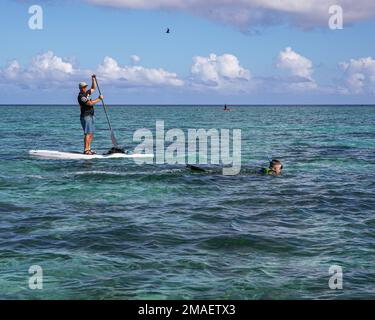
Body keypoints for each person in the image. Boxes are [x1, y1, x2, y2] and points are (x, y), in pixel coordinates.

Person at [77, 75, 103, 155]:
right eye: (84, 87)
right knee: (87, 133)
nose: (85, 88)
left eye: (85, 87)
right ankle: (86, 150)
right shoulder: (81, 97)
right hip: (86, 116)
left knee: (91, 133)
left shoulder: (87, 93)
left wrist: (93, 79)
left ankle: (89, 149)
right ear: (81, 88)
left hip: (91, 115)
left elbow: (93, 88)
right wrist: (99, 99)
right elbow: (90, 103)